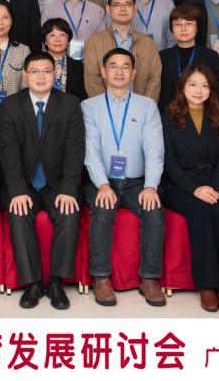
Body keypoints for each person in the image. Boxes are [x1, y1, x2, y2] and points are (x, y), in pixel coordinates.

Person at [0, 52, 85, 310]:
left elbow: (75, 150)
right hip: (24, 184)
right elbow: (8, 152)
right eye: (34, 71)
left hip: (57, 184)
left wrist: (69, 189)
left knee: (69, 213)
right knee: (19, 213)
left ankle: (57, 282)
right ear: (25, 75)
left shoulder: (70, 104)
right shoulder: (11, 105)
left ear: (54, 75)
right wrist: (17, 191)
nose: (41, 76)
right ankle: (32, 283)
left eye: (47, 71)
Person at [82, 48, 166, 307]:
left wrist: (150, 186)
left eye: (125, 66)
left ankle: (149, 278)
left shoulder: (147, 106)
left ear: (133, 73)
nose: (119, 71)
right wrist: (102, 185)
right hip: (102, 180)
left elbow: (155, 150)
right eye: (113, 66)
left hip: (137, 182)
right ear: (103, 72)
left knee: (153, 211)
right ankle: (101, 277)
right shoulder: (89, 106)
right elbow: (90, 151)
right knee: (103, 208)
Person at [161, 64, 219, 312]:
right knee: (200, 212)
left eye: (204, 85)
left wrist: (214, 188)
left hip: (217, 183)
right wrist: (195, 189)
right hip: (181, 185)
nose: (198, 90)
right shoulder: (168, 118)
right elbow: (169, 161)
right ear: (182, 87)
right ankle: (207, 285)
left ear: (212, 90)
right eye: (193, 84)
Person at [83, 0, 161, 100]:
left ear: (135, 8)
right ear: (108, 9)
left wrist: (144, 106)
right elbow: (92, 79)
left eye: (128, 4)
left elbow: (154, 78)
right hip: (105, 108)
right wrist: (107, 106)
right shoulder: (95, 42)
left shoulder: (148, 44)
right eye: (117, 5)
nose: (123, 9)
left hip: (141, 108)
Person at [158, 4, 219, 110]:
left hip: (203, 114)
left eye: (189, 24)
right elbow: (160, 95)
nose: (183, 29)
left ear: (197, 27)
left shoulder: (211, 56)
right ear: (172, 29)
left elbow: (217, 93)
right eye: (178, 24)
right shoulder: (162, 57)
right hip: (170, 114)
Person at [41, 18, 86, 101]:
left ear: (68, 40)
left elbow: (82, 96)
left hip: (70, 108)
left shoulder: (78, 66)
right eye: (52, 35)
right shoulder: (36, 64)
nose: (57, 39)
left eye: (62, 35)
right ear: (45, 41)